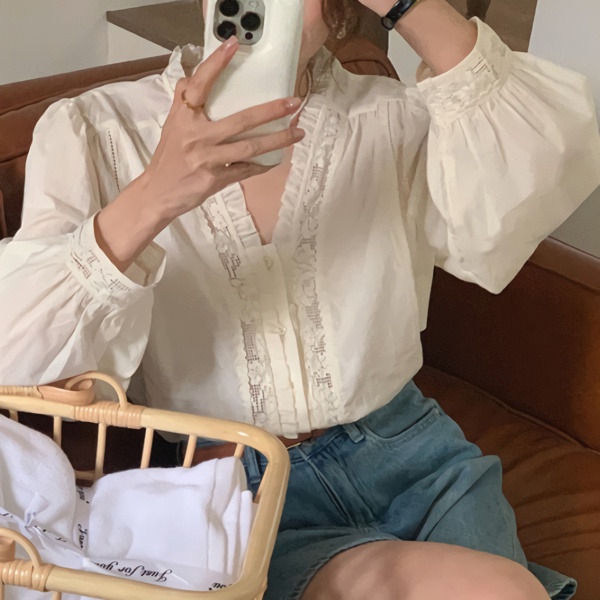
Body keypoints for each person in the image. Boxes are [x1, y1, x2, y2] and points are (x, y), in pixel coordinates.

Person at [1, 0, 599, 597]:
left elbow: (543, 163)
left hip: (413, 456)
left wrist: (408, 5)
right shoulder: (95, 129)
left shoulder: (398, 117)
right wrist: (155, 193)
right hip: (236, 489)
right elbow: (18, 358)